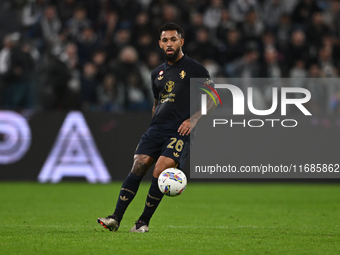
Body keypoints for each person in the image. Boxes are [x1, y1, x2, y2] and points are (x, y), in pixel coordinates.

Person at [97, 22, 216, 233]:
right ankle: (115, 218)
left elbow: (214, 98)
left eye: (173, 39)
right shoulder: (157, 74)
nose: (169, 44)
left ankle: (142, 222)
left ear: (181, 41)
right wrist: (154, 123)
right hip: (156, 129)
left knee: (161, 169)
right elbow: (157, 102)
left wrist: (194, 119)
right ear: (160, 44)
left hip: (180, 131)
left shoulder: (196, 69)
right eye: (165, 40)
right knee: (138, 165)